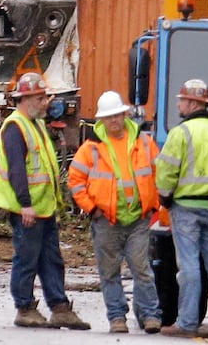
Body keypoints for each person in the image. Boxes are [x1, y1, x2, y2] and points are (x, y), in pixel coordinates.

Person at [0, 71, 90, 330]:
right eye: (40, 98)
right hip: (27, 209)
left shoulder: (34, 125)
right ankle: (24, 308)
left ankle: (59, 307)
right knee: (27, 258)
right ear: (26, 99)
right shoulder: (16, 127)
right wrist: (25, 204)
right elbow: (16, 169)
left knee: (51, 260)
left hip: (43, 208)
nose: (45, 102)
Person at [70, 91, 164, 335]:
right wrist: (92, 208)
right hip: (106, 220)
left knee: (141, 267)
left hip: (138, 219)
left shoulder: (144, 142)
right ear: (101, 120)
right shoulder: (91, 148)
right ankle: (117, 318)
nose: (113, 121)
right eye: (108, 117)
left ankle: (150, 315)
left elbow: (160, 174)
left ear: (124, 115)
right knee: (110, 271)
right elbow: (76, 181)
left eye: (116, 115)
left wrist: (154, 204)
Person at [154, 78, 208, 339]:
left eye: (181, 100)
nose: (179, 104)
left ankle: (187, 323)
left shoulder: (181, 133)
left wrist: (165, 199)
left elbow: (166, 171)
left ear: (192, 103)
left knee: (188, 265)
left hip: (185, 207)